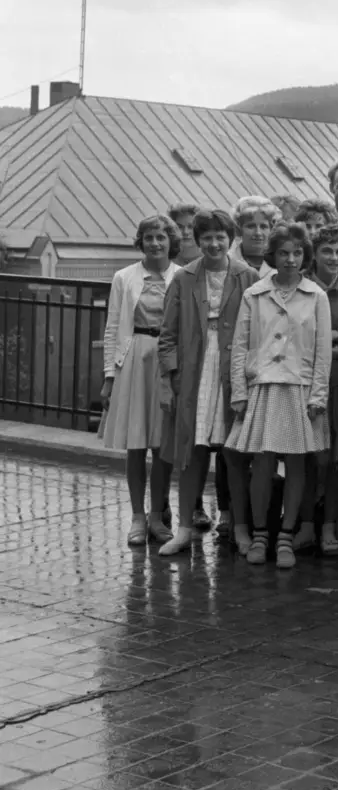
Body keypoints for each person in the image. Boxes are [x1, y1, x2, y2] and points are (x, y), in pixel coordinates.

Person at [226, 223, 332, 568]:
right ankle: (260, 535)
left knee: (298, 461)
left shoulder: (316, 296)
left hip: (299, 388)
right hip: (264, 386)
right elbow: (240, 346)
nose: (290, 259)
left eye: (297, 253)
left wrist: (318, 396)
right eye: (284, 253)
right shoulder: (254, 294)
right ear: (273, 255)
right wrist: (240, 393)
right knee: (263, 462)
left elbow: (322, 352)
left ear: (305, 256)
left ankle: (286, 535)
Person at [158, 210, 258, 557]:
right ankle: (185, 528)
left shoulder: (249, 277)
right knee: (192, 452)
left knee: (235, 454)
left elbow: (257, 332)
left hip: (234, 373)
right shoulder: (184, 278)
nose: (214, 244)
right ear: (196, 240)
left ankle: (241, 529)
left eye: (221, 237)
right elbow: (167, 335)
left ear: (232, 240)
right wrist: (167, 381)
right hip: (194, 373)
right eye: (207, 237)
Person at [101, 215, 183, 547]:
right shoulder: (124, 278)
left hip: (168, 361)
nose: (155, 243)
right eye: (148, 237)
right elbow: (111, 328)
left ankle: (156, 515)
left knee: (163, 444)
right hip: (134, 359)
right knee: (136, 444)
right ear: (141, 241)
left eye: (161, 237)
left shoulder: (183, 277)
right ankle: (136, 516)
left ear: (170, 241)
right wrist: (109, 376)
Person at [302, 223, 338, 557]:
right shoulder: (302, 288)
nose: (334, 258)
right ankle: (305, 522)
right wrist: (331, 340)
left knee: (335, 459)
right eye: (327, 251)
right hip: (305, 383)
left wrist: (335, 340)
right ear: (315, 255)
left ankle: (329, 525)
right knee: (307, 457)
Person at [229, 196, 278, 278]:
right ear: (239, 228)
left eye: (263, 226)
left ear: (271, 229)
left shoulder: (283, 261)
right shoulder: (227, 261)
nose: (258, 233)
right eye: (251, 226)